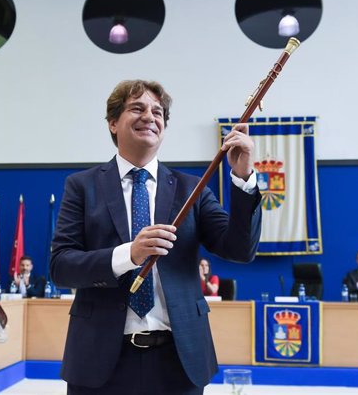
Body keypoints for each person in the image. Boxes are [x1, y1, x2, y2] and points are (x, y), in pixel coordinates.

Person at [50, 79, 263, 394]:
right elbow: (61, 267)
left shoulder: (193, 188)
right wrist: (129, 255)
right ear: (112, 123)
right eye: (137, 108)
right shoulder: (82, 186)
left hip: (178, 360)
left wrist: (243, 177)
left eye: (158, 112)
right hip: (99, 361)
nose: (150, 116)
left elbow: (240, 249)